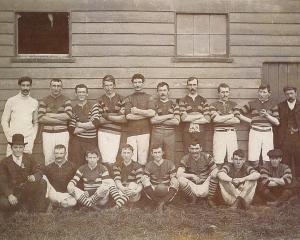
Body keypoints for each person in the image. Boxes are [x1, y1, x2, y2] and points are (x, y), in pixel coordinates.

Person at [0, 134, 48, 214]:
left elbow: (39, 170)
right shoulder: (5, 162)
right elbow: (2, 181)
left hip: (26, 189)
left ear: (23, 148)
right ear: (11, 148)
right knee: (4, 204)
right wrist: (9, 195)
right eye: (15, 147)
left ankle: (40, 212)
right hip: (13, 191)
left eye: (20, 147)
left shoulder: (29, 158)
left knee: (42, 182)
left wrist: (34, 176)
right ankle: (21, 208)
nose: (18, 150)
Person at [235, 84, 279, 168]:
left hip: (267, 132)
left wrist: (267, 115)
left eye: (264, 92)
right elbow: (237, 113)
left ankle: (264, 177)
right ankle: (255, 177)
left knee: (267, 159)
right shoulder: (252, 103)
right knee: (253, 159)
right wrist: (251, 121)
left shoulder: (273, 104)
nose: (261, 94)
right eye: (260, 92)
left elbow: (277, 122)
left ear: (269, 93)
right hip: (255, 132)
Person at [91, 75, 126, 166]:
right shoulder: (99, 100)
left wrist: (107, 115)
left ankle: (112, 178)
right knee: (104, 158)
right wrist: (116, 115)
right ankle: (106, 179)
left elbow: (124, 119)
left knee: (113, 158)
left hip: (116, 133)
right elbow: (99, 120)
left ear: (114, 85)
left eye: (110, 85)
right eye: (106, 85)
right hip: (103, 132)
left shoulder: (121, 99)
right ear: (103, 86)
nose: (108, 88)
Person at [38, 78, 72, 165]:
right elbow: (41, 117)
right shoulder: (44, 100)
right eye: (54, 86)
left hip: (62, 133)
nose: (56, 88)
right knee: (49, 158)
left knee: (63, 156)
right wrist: (60, 119)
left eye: (58, 86)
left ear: (61, 87)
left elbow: (68, 115)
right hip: (47, 134)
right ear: (50, 87)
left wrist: (50, 115)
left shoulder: (66, 100)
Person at [1, 76, 38, 156]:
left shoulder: (34, 102)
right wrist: (9, 136)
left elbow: (36, 122)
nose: (25, 88)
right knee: (11, 164)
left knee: (26, 165)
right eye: (23, 85)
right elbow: (4, 120)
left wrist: (32, 137)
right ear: (20, 86)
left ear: (30, 86)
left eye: (27, 85)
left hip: (27, 140)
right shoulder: (11, 101)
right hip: (13, 139)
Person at [125, 73, 155, 166]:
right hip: (131, 132)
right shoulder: (129, 98)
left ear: (143, 83)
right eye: (135, 82)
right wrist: (145, 114)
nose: (137, 84)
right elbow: (128, 116)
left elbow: (152, 113)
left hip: (144, 131)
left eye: (139, 82)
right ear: (132, 84)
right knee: (131, 158)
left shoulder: (149, 97)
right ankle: (132, 179)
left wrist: (137, 111)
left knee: (143, 158)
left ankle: (141, 178)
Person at [176, 141, 218, 206]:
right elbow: (178, 174)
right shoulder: (185, 158)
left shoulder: (207, 156)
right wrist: (192, 176)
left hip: (206, 185)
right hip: (193, 186)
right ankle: (193, 198)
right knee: (180, 179)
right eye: (192, 149)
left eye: (197, 149)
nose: (194, 151)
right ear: (189, 149)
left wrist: (213, 173)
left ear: (201, 149)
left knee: (215, 175)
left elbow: (215, 169)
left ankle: (210, 199)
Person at [141, 144, 179, 213]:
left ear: (162, 153)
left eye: (159, 152)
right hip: (154, 188)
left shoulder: (169, 163)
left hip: (167, 188)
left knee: (176, 181)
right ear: (152, 154)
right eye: (155, 153)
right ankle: (159, 202)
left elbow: (173, 176)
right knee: (144, 180)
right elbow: (146, 177)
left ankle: (161, 203)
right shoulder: (149, 164)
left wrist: (173, 180)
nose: (157, 155)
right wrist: (145, 179)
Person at [210, 83, 240, 167]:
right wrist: (231, 115)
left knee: (232, 158)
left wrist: (221, 118)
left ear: (229, 92)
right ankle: (219, 178)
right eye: (222, 92)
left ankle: (230, 178)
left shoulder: (234, 104)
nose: (225, 94)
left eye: (227, 92)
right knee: (218, 159)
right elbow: (215, 120)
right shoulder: (213, 105)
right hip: (219, 133)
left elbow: (237, 120)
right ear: (218, 93)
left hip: (231, 133)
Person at [68, 84, 97, 167]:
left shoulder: (93, 106)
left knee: (91, 164)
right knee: (78, 165)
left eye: (83, 92)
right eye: (79, 92)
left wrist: (79, 124)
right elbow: (72, 130)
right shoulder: (74, 109)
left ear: (87, 94)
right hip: (78, 142)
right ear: (76, 94)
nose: (81, 94)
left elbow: (95, 123)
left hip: (91, 141)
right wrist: (89, 124)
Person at [179, 76, 210, 153]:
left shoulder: (203, 100)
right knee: (187, 154)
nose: (192, 87)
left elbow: (207, 119)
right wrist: (200, 115)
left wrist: (190, 117)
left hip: (201, 132)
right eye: (190, 85)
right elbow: (183, 118)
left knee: (201, 154)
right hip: (187, 133)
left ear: (197, 85)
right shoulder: (183, 100)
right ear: (187, 86)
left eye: (194, 84)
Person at [150, 82, 180, 161]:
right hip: (156, 132)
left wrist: (159, 119)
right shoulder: (153, 104)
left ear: (168, 91)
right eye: (160, 90)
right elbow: (152, 121)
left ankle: (170, 173)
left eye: (164, 90)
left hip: (170, 133)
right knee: (155, 155)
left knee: (170, 156)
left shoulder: (174, 105)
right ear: (157, 92)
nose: (162, 92)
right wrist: (169, 116)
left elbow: (176, 121)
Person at [276, 86, 300, 181]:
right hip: (284, 139)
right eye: (287, 94)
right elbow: (276, 123)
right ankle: (287, 182)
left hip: (298, 138)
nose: (289, 96)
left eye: (291, 93)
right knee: (285, 161)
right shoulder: (280, 106)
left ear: (296, 93)